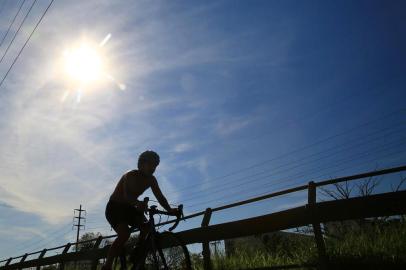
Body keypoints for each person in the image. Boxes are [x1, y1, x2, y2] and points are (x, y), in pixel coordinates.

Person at [102, 150, 179, 270]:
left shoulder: (152, 180)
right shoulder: (130, 175)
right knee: (124, 234)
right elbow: (127, 196)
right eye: (151, 164)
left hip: (129, 207)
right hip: (115, 207)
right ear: (141, 164)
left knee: (147, 227)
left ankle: (137, 252)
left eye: (155, 166)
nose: (153, 168)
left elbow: (160, 197)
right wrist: (138, 203)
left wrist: (169, 210)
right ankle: (107, 266)